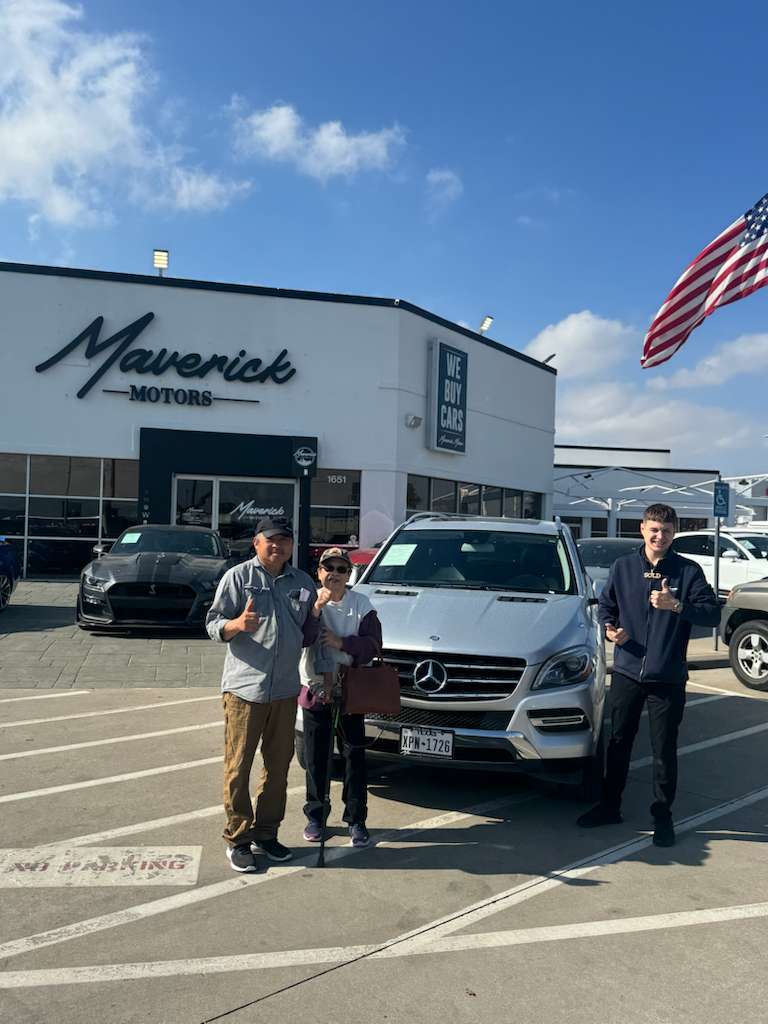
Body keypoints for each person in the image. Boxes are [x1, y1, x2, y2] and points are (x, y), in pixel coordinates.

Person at [577, 503, 720, 847]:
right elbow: (605, 606)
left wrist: (678, 606)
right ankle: (610, 806)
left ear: (674, 534)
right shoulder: (623, 567)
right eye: (654, 530)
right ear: (642, 529)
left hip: (667, 676)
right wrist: (610, 629)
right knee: (618, 743)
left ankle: (662, 816)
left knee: (663, 750)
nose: (660, 536)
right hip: (627, 670)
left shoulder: (688, 572)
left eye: (667, 531)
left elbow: (712, 614)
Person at [206, 516, 319, 872]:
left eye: (285, 540)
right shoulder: (238, 578)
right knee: (238, 767)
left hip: (286, 691)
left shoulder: (302, 582)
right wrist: (236, 625)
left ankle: (266, 833)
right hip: (244, 690)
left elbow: (309, 632)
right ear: (256, 542)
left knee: (278, 768)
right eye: (271, 540)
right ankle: (238, 838)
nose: (278, 546)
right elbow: (212, 622)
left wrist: (326, 611)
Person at [299, 547, 383, 848]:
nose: (334, 574)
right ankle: (316, 816)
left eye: (341, 569)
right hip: (316, 690)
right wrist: (317, 610)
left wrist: (342, 642)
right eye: (328, 567)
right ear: (318, 572)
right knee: (316, 758)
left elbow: (374, 645)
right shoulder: (309, 600)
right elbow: (303, 638)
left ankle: (357, 819)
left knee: (353, 757)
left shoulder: (361, 603)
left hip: (351, 691)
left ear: (349, 574)